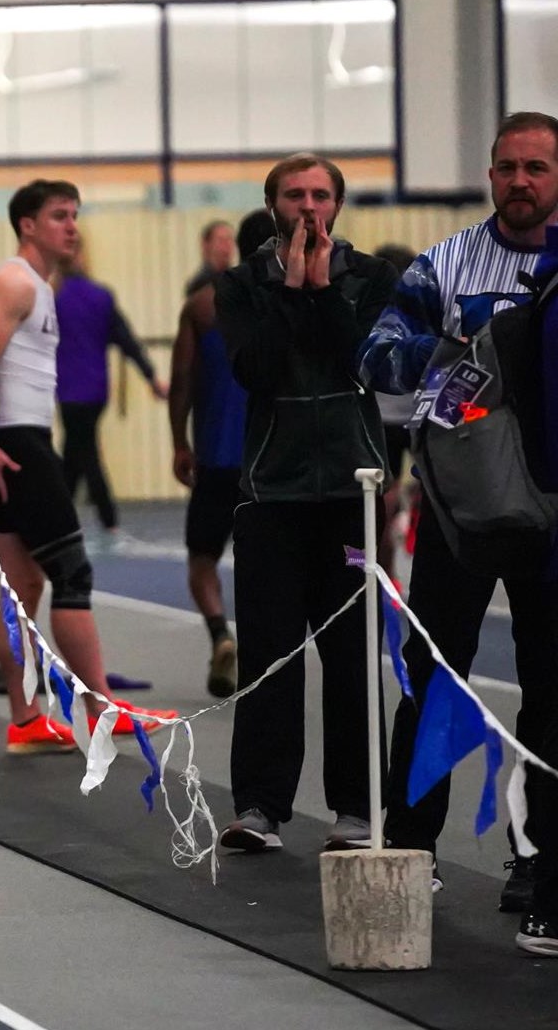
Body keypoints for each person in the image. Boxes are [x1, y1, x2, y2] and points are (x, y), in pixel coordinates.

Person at [356, 112, 558, 914]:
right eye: (508, 167)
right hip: (459, 507)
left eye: (537, 168)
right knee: (434, 673)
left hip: (550, 512)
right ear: (489, 173)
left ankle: (539, 862)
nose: (520, 182)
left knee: (551, 690)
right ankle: (410, 845)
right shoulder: (446, 264)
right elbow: (375, 355)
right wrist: (468, 354)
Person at [216, 154, 398, 853]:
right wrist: (292, 287)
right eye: (294, 195)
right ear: (271, 206)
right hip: (272, 495)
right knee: (269, 656)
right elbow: (254, 368)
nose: (309, 206)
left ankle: (357, 807)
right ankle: (260, 807)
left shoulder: (374, 278)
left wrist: (322, 292)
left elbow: (365, 362)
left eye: (321, 194)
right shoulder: (239, 286)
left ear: (339, 204)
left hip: (352, 495)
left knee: (353, 658)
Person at [0, 179, 175, 754]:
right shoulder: (13, 282)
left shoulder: (40, 287)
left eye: (75, 215)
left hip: (25, 438)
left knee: (24, 587)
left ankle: (27, 717)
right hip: (18, 445)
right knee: (72, 575)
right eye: (59, 216)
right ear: (27, 224)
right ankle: (100, 708)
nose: (72, 226)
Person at [169, 210, 269, 698]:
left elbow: (183, 380)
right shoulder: (292, 307)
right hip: (273, 462)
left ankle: (220, 634)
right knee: (269, 564)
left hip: (217, 455)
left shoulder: (202, 305)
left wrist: (179, 442)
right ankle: (267, 652)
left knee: (202, 559)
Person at [53, 235, 166, 541]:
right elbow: (126, 339)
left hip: (68, 391)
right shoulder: (100, 296)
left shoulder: (52, 299)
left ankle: (103, 516)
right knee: (75, 450)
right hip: (95, 391)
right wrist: (151, 376)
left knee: (84, 451)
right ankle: (60, 516)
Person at [368, 243, 422, 583]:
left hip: (396, 419)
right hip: (405, 419)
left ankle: (385, 573)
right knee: (388, 503)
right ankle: (385, 570)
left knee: (382, 506)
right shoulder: (422, 310)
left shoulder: (370, 308)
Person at [186, 220, 237, 297]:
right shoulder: (201, 285)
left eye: (230, 240)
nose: (227, 246)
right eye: (221, 240)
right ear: (206, 245)